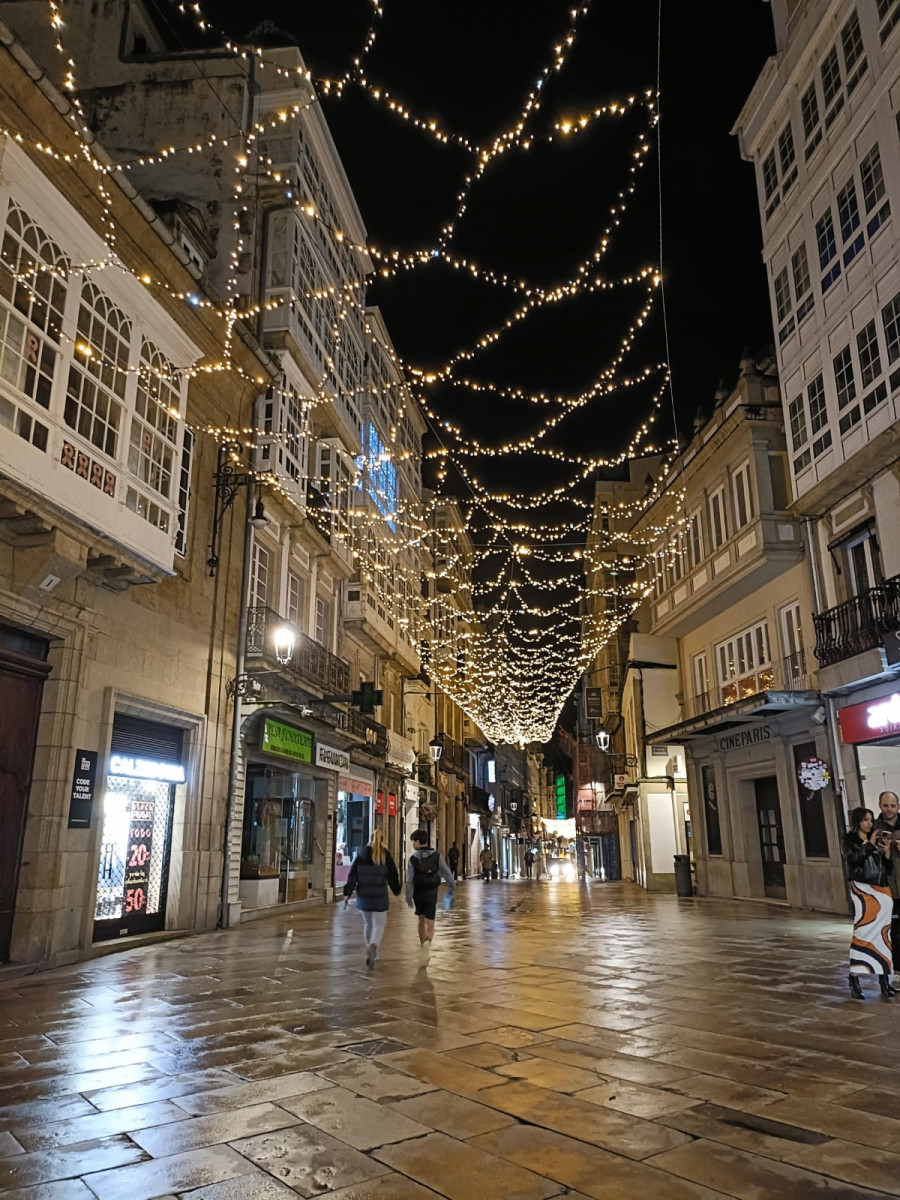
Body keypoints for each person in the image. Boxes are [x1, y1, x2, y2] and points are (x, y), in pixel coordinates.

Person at [841, 807, 896, 999]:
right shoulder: (850, 840)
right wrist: (870, 845)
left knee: (884, 936)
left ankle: (884, 981)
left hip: (882, 890)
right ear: (857, 821)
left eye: (871, 820)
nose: (869, 824)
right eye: (865, 820)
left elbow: (887, 869)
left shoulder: (875, 840)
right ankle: (854, 977)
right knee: (863, 932)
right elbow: (853, 861)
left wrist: (887, 852)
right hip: (864, 890)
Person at [343, 828, 401, 968]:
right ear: (382, 840)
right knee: (379, 924)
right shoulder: (385, 855)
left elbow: (353, 875)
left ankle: (369, 946)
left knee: (368, 924)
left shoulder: (362, 854)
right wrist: (396, 889)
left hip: (364, 895)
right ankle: (373, 946)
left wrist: (347, 892)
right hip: (379, 895)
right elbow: (393, 875)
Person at [406, 830, 454, 964]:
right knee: (430, 920)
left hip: (418, 893)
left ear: (417, 842)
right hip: (432, 892)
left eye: (413, 841)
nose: (412, 844)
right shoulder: (437, 856)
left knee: (421, 919)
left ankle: (423, 946)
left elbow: (409, 879)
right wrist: (451, 887)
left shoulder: (413, 858)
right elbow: (447, 873)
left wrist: (408, 896)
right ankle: (428, 944)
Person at [873, 790, 900, 975]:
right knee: (893, 931)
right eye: (885, 805)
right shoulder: (874, 827)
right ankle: (896, 968)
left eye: (893, 805)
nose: (889, 810)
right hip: (886, 888)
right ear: (880, 806)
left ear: (898, 806)